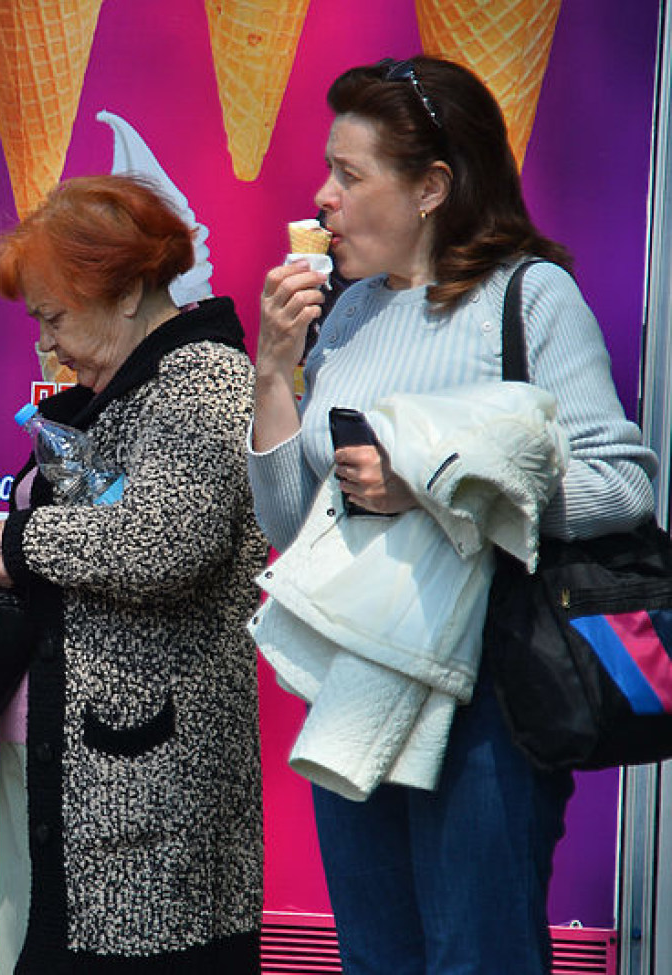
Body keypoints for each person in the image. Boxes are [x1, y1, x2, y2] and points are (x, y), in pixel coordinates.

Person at [249, 55, 657, 973]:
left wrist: (434, 486)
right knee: (376, 959)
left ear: (432, 185)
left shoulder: (528, 297)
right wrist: (276, 368)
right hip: (357, 688)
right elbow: (285, 524)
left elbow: (623, 484)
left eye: (350, 176)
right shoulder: (347, 315)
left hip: (489, 698)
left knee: (479, 957)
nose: (322, 198)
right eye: (328, 171)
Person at [0, 174, 267, 973]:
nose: (47, 345)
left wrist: (17, 545)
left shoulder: (202, 382)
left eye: (54, 318)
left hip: (149, 786)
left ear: (126, 293)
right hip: (75, 764)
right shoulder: (121, 388)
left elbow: (167, 540)